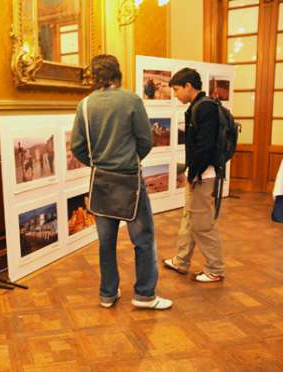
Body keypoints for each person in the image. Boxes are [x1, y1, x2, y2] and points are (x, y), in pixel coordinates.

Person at [71, 54, 172, 310]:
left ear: (94, 76)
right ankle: (144, 295)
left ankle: (107, 294)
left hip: (101, 182)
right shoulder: (131, 100)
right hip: (129, 181)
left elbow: (78, 148)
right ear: (118, 73)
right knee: (143, 239)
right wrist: (128, 159)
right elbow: (146, 141)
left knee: (106, 243)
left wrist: (100, 162)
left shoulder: (84, 105)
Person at [163, 67, 225, 282]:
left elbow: (205, 147)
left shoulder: (204, 108)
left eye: (177, 89)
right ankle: (181, 261)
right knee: (190, 219)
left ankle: (215, 269)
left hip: (203, 176)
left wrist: (194, 175)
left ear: (189, 86)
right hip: (199, 174)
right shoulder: (197, 106)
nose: (175, 94)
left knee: (202, 224)